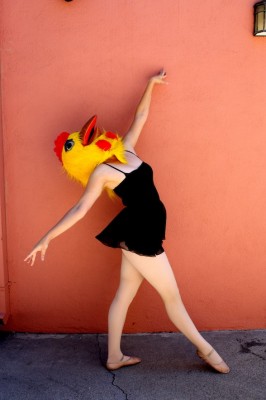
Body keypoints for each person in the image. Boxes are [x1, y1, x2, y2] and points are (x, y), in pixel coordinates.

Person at [25, 70, 230, 374]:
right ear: (82, 156)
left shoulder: (126, 150)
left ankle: (114, 357)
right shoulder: (101, 173)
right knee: (172, 298)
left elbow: (141, 116)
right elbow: (79, 209)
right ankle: (208, 351)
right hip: (139, 234)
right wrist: (47, 237)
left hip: (140, 230)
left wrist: (150, 84)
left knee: (124, 292)